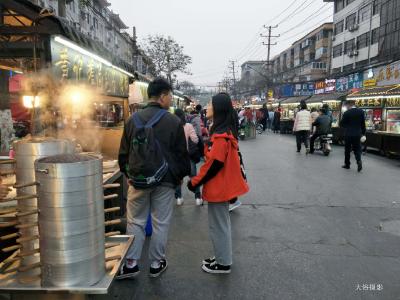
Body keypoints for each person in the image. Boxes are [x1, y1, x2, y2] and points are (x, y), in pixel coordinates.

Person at [117, 78, 190, 279]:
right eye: (170, 96)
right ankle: (156, 263)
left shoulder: (133, 120)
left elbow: (123, 154)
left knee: (136, 221)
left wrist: (129, 175)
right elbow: (182, 155)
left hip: (137, 181)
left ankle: (131, 264)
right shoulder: (174, 121)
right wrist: (178, 178)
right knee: (161, 222)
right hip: (165, 181)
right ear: (163, 96)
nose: (171, 100)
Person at [187, 92, 249, 274]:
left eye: (211, 105)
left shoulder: (221, 135)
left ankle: (223, 263)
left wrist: (195, 182)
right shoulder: (223, 131)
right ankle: (222, 256)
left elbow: (214, 164)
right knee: (221, 224)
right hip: (221, 187)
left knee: (219, 226)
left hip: (219, 188)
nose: (207, 108)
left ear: (219, 108)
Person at [174, 109, 203, 206]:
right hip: (189, 156)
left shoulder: (172, 126)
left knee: (178, 179)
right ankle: (198, 198)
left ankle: (179, 198)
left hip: (178, 157)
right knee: (194, 177)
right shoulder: (188, 126)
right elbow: (195, 140)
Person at [340, 100, 366, 172]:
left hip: (348, 134)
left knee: (347, 150)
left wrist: (347, 126)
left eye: (346, 106)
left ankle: (347, 164)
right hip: (358, 134)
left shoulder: (346, 113)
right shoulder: (361, 112)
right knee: (357, 149)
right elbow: (363, 124)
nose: (346, 107)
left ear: (349, 105)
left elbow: (341, 124)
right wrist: (363, 133)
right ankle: (359, 161)